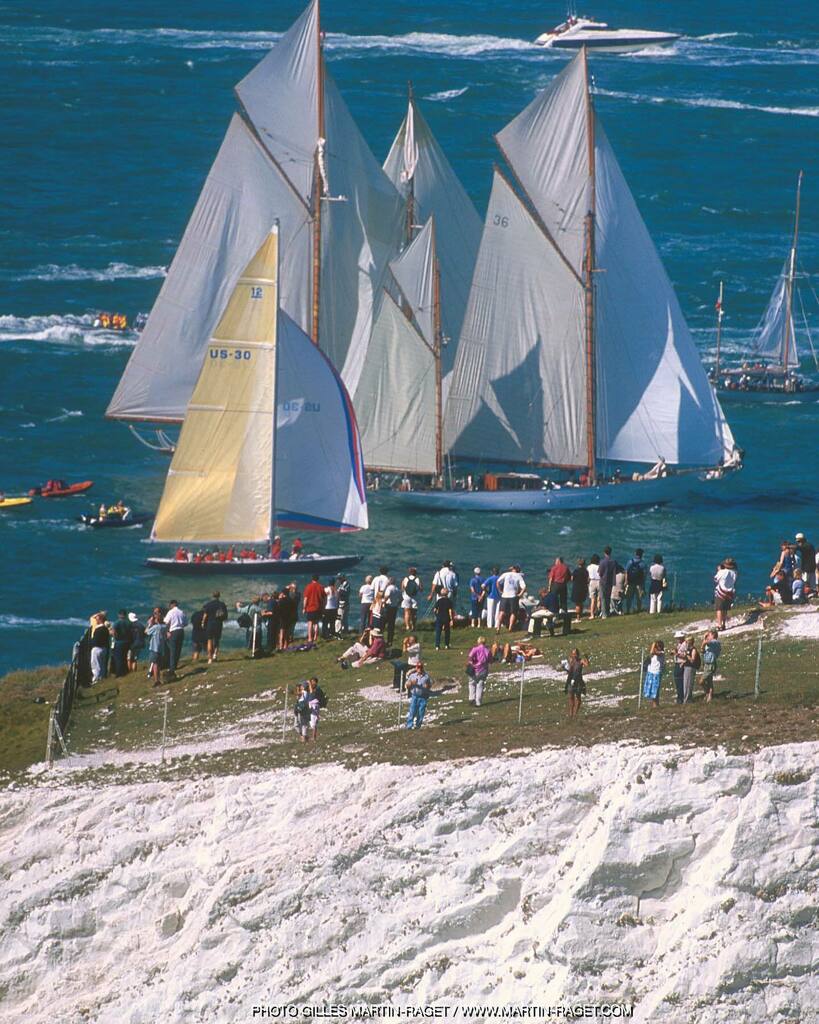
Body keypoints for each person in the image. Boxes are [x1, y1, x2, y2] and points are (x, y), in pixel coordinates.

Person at [497, 565, 526, 632]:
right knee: (513, 612)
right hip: (513, 596)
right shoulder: (519, 576)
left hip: (504, 595)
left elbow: (498, 582)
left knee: (501, 612)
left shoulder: (505, 574)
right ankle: (510, 627)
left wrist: (500, 591)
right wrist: (520, 594)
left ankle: (498, 627)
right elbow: (524, 587)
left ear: (513, 569)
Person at [201, 591, 228, 664]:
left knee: (209, 640)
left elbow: (205, 615)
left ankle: (210, 658)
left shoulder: (209, 604)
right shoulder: (222, 604)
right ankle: (215, 655)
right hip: (218, 624)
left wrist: (203, 623)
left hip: (210, 624)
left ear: (212, 596)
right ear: (219, 596)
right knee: (217, 640)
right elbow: (225, 616)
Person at [405, 662, 432, 730]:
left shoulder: (426, 676)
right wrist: (411, 683)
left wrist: (427, 686)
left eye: (421, 667)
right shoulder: (412, 676)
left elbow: (430, 684)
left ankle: (418, 726)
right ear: (416, 668)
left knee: (421, 712)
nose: (419, 669)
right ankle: (409, 726)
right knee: (412, 711)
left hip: (423, 697)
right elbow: (407, 685)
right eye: (418, 667)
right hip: (415, 696)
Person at [466, 636, 492, 707]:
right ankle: (478, 702)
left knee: (472, 683)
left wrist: (471, 662)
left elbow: (470, 656)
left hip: (474, 669)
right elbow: (490, 660)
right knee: (480, 685)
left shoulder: (475, 649)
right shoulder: (488, 650)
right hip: (483, 670)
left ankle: (471, 699)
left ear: (478, 642)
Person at [163, 599, 188, 674]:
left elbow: (166, 621)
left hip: (173, 631)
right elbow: (186, 623)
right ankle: (175, 664)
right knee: (178, 649)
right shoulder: (181, 612)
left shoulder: (170, 612)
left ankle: (172, 667)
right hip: (181, 631)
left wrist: (167, 631)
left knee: (172, 650)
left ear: (172, 605)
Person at [146, 608, 168, 687]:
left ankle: (156, 680)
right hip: (161, 648)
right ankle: (157, 679)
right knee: (158, 664)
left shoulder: (156, 627)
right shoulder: (164, 626)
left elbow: (147, 632)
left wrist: (149, 624)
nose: (154, 615)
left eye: (155, 613)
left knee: (155, 664)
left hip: (154, 648)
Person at [565, 648, 589, 718]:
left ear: (578, 654)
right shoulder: (571, 661)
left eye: (575, 654)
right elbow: (569, 670)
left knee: (578, 698)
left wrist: (586, 658)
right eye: (573, 654)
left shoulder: (581, 661)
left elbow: (587, 664)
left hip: (578, 682)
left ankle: (575, 714)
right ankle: (571, 713)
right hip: (571, 681)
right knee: (571, 697)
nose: (574, 655)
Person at [714, 557, 737, 631]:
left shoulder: (722, 572)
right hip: (730, 593)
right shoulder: (734, 572)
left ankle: (719, 625)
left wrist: (719, 570)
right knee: (725, 609)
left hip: (721, 592)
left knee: (719, 609)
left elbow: (715, 579)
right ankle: (723, 624)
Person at [302, 574, 325, 644]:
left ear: (312, 579)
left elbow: (305, 598)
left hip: (310, 607)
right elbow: (324, 598)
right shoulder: (321, 587)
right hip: (318, 607)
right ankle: (315, 637)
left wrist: (304, 607)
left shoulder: (308, 587)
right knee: (316, 623)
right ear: (318, 579)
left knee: (310, 623)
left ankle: (309, 638)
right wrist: (323, 607)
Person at [642, 640, 666, 708]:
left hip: (657, 673)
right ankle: (654, 703)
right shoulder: (654, 654)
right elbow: (651, 653)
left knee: (655, 689)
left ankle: (656, 703)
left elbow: (652, 651)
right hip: (651, 672)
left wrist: (654, 644)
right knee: (651, 688)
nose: (655, 648)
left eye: (657, 646)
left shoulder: (661, 652)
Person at [89, 612, 111, 684]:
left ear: (101, 620)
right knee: (102, 664)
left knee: (95, 665)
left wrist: (91, 643)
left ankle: (96, 679)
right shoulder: (105, 629)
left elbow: (96, 640)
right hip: (104, 648)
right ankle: (101, 678)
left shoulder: (99, 629)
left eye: (97, 619)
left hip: (97, 648)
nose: (96, 620)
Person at [701, 630, 721, 703]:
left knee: (701, 681)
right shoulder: (710, 644)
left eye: (709, 635)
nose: (708, 637)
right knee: (709, 681)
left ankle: (707, 692)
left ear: (712, 635)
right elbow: (703, 650)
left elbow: (706, 642)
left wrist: (704, 638)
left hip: (711, 664)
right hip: (706, 663)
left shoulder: (715, 642)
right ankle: (710, 695)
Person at [624, 549, 646, 614]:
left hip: (630, 582)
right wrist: (643, 584)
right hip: (639, 583)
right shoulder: (643, 564)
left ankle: (627, 610)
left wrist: (626, 581)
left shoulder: (630, 562)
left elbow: (626, 572)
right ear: (641, 555)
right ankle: (638, 610)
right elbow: (644, 574)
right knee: (639, 598)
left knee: (629, 598)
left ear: (635, 554)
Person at [111, 609, 131, 678]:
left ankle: (119, 673)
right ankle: (125, 671)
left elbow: (113, 632)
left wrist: (115, 637)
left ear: (119, 615)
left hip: (119, 642)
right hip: (127, 642)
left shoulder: (117, 623)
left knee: (118, 658)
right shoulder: (128, 623)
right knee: (124, 657)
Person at [382, 576, 401, 646]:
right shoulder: (397, 589)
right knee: (391, 625)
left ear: (389, 582)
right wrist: (397, 604)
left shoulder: (389, 588)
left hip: (388, 607)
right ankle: (390, 641)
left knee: (383, 623)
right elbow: (401, 599)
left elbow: (387, 596)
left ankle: (381, 639)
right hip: (394, 607)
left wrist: (383, 603)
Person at [481, 566, 501, 631]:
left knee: (490, 611)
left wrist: (487, 591)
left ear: (492, 572)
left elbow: (483, 586)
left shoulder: (490, 578)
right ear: (498, 572)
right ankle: (496, 624)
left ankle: (489, 625)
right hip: (499, 597)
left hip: (491, 596)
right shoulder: (500, 578)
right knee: (497, 612)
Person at [598, 547, 615, 618]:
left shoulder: (602, 562)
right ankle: (607, 612)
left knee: (603, 598)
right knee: (608, 597)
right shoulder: (613, 561)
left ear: (604, 553)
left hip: (603, 581)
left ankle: (604, 614)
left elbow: (600, 572)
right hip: (610, 581)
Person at [682, 636, 701, 704]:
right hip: (686, 667)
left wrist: (687, 656)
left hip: (690, 668)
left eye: (687, 642)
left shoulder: (693, 649)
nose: (686, 643)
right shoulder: (688, 649)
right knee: (685, 684)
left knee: (688, 683)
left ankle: (687, 700)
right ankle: (686, 699)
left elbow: (692, 660)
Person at [571, 558, 589, 622]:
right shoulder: (586, 571)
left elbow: (572, 579)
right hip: (583, 588)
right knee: (581, 602)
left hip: (577, 588)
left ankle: (578, 618)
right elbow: (588, 580)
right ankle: (580, 615)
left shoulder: (576, 571)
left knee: (577, 604)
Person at [672, 630, 688, 704]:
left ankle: (680, 698)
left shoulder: (685, 644)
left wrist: (677, 654)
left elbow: (685, 655)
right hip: (678, 662)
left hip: (681, 663)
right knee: (678, 681)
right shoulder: (679, 644)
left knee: (679, 681)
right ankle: (680, 696)